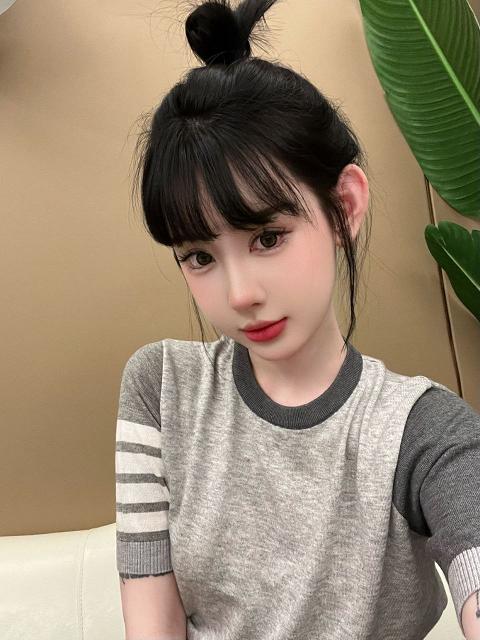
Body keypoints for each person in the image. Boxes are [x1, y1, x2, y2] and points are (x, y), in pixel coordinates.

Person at [115, 1, 480, 638]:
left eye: (267, 238)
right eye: (200, 256)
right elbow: (152, 623)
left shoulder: (423, 432)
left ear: (344, 207)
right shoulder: (161, 388)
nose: (240, 294)